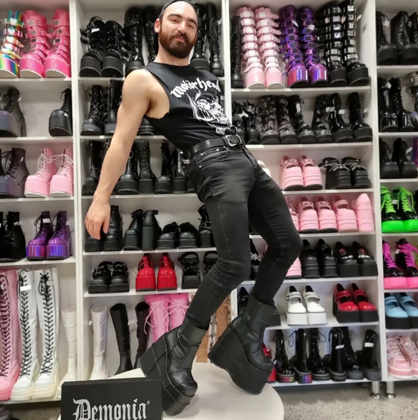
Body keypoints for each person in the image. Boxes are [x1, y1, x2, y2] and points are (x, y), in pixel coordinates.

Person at [85, 0, 301, 416]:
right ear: (158, 26)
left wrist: (251, 164)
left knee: (288, 242)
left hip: (244, 159)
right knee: (235, 264)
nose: (182, 27)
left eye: (190, 22)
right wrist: (100, 198)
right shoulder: (143, 79)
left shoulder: (206, 75)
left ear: (196, 32)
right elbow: (121, 142)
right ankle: (180, 351)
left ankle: (247, 333)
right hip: (213, 165)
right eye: (174, 20)